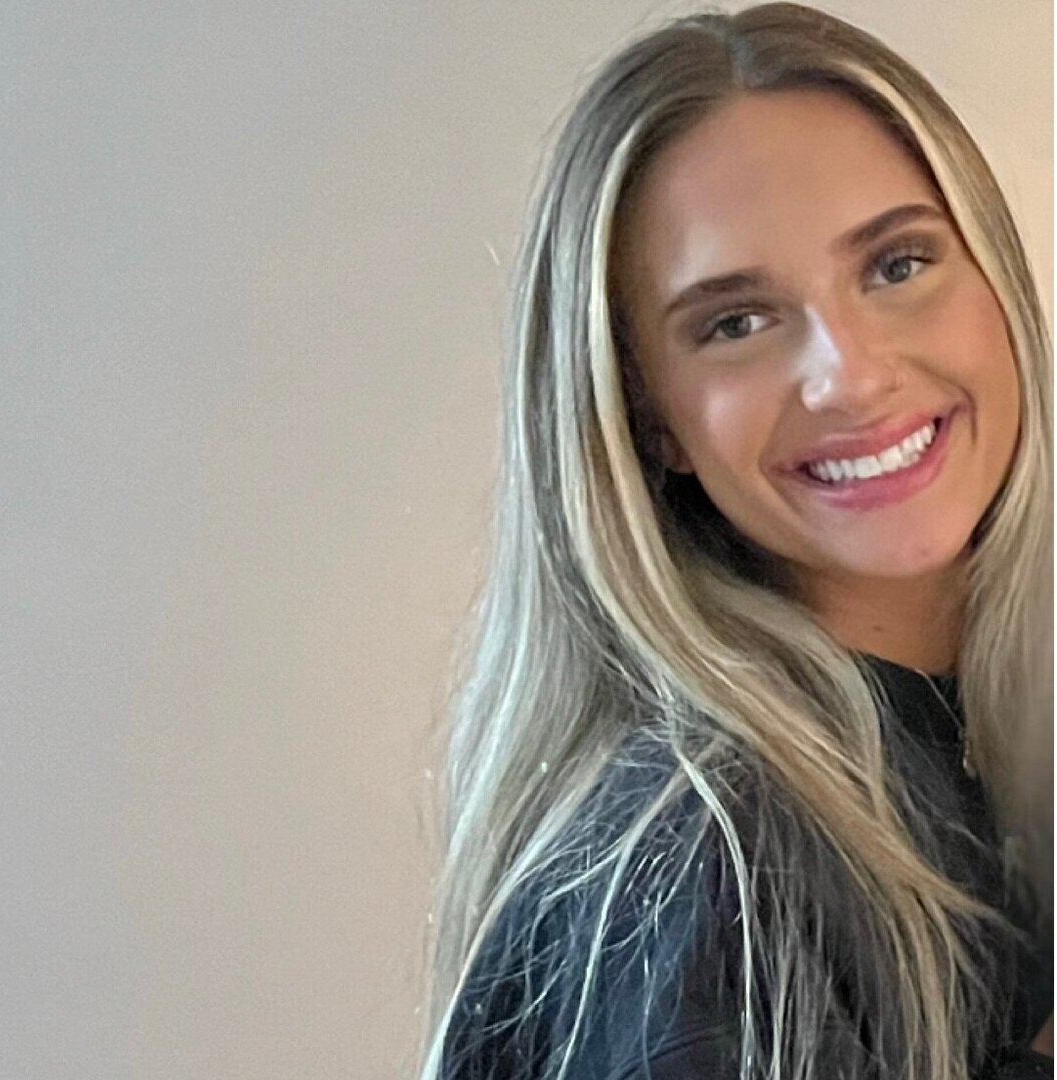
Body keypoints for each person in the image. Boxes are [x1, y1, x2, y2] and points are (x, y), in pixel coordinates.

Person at [419, 5, 1053, 1079]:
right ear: (647, 415)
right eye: (736, 323)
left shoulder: (967, 749)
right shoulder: (707, 859)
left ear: (1000, 285)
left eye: (898, 265)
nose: (850, 375)